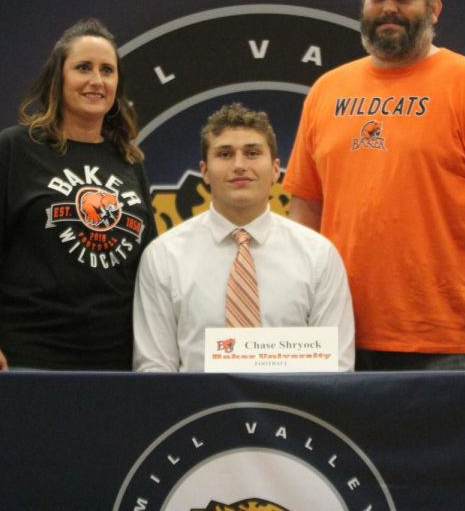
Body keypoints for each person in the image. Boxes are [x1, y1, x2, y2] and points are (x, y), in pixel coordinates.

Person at [283, 0, 465, 370]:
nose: (389, 9)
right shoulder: (327, 90)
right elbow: (306, 205)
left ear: (434, 8)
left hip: (447, 340)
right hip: (338, 336)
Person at [0, 18, 155, 370]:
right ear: (58, 78)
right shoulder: (15, 148)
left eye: (107, 70)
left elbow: (146, 269)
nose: (96, 80)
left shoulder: (129, 161)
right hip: (30, 352)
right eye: (83, 68)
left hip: (116, 358)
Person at [132, 103, 355, 372]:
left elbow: (337, 370)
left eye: (252, 153)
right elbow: (154, 371)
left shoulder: (319, 256)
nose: (239, 165)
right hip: (198, 412)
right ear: (204, 171)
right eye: (225, 154)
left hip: (292, 412)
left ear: (275, 169)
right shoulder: (164, 257)